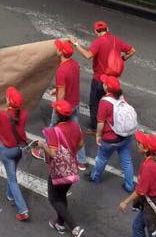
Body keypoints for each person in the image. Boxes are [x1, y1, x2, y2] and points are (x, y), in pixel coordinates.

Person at [35, 99, 85, 237]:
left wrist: (42, 144)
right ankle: (60, 223)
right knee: (61, 196)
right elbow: (81, 144)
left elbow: (54, 153)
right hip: (72, 169)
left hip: (58, 172)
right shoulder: (75, 126)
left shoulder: (53, 131)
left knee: (53, 198)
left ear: (57, 114)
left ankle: (75, 228)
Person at [72, 20, 135, 130]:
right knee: (109, 102)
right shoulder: (116, 40)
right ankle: (109, 124)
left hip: (99, 79)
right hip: (113, 80)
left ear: (96, 31)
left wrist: (75, 44)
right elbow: (132, 51)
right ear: (107, 29)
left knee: (95, 103)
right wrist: (122, 59)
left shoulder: (98, 41)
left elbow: (88, 55)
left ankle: (95, 127)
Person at [35, 39, 87, 170]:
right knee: (77, 130)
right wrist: (56, 89)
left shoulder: (61, 70)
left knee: (52, 129)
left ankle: (43, 152)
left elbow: (62, 93)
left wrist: (58, 107)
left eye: (58, 48)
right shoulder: (74, 64)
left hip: (64, 107)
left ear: (60, 52)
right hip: (74, 103)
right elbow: (71, 83)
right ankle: (81, 160)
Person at [119, 130, 156, 237]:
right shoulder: (154, 159)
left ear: (146, 148)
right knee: (137, 226)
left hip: (152, 205)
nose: (137, 143)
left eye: (140, 142)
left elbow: (140, 191)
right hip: (153, 202)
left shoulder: (148, 166)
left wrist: (125, 202)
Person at [90, 75, 137, 193]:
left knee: (101, 158)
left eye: (104, 83)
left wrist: (98, 136)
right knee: (126, 161)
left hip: (110, 139)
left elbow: (100, 123)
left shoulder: (104, 102)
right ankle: (129, 185)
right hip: (125, 136)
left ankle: (95, 177)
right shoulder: (121, 97)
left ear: (106, 87)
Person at [0, 87, 30, 221]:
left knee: (12, 179)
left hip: (7, 150)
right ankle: (9, 194)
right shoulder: (24, 114)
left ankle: (23, 209)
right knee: (12, 171)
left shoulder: (2, 115)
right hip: (19, 149)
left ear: (8, 101)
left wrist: (5, 109)